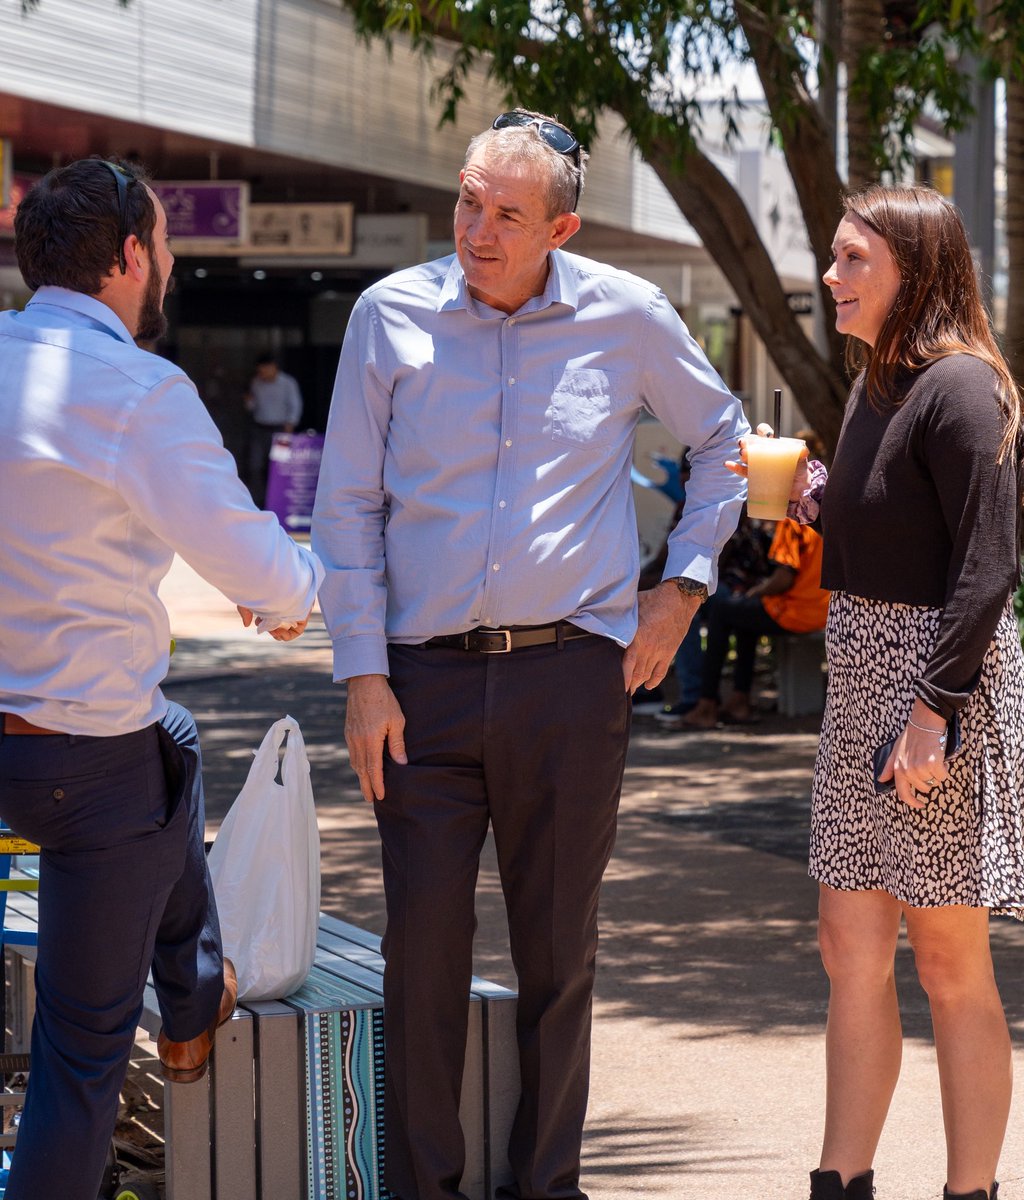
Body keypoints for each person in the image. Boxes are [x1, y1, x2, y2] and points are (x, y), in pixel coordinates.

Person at [311, 109, 749, 1200]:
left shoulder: (628, 315)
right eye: (469, 200)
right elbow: (347, 505)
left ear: (561, 228)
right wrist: (363, 677)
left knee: (558, 953)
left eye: (508, 214)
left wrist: (680, 592)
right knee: (421, 955)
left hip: (569, 680)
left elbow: (724, 441)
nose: (478, 230)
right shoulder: (387, 316)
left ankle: (546, 1186)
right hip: (418, 687)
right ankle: (424, 1187)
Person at [0, 157, 323, 1200]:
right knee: (78, 1060)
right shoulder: (138, 391)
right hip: (88, 768)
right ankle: (190, 1003)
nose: (175, 263)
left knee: (172, 738)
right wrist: (289, 594)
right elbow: (260, 565)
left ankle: (192, 996)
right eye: (168, 244)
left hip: (45, 747)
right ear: (132, 256)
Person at [735, 184, 1024, 1200]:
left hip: (933, 694)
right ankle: (840, 1181)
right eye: (834, 256)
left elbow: (988, 567)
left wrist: (931, 713)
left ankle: (969, 1191)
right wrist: (815, 498)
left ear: (917, 270)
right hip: (861, 682)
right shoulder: (876, 385)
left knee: (948, 964)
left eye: (854, 258)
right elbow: (891, 527)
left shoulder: (962, 388)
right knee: (846, 949)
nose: (831, 277)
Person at [676, 514, 829, 727]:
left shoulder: (793, 521)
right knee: (744, 617)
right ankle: (740, 701)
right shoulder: (823, 516)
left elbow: (784, 578)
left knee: (722, 610)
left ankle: (706, 704)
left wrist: (756, 591)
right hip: (823, 611)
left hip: (795, 612)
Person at [245, 353, 303, 506]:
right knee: (255, 465)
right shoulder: (256, 382)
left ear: (273, 367)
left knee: (279, 466)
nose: (262, 373)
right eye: (260, 371)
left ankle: (279, 501)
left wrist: (290, 424)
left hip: (281, 430)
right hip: (260, 429)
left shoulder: (288, 383)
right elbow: (251, 407)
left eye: (264, 370)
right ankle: (257, 501)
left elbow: (295, 404)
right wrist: (248, 401)